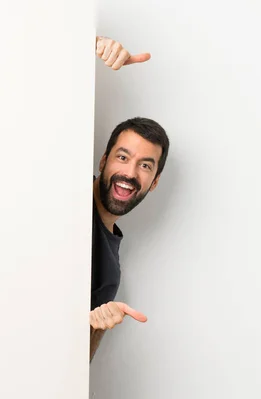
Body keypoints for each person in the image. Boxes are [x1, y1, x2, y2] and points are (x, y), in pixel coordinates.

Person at [90, 37, 170, 361]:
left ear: (154, 182)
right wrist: (89, 47)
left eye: (145, 165)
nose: (130, 172)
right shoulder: (60, 193)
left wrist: (91, 326)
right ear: (103, 160)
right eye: (123, 157)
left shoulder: (110, 273)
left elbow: (78, 364)